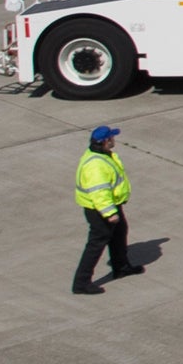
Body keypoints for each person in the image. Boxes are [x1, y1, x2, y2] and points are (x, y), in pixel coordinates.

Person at [73, 125, 138, 294]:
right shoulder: (96, 165)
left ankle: (121, 267)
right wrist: (110, 213)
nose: (114, 139)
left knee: (119, 233)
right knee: (96, 243)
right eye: (112, 137)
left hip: (110, 204)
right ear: (105, 141)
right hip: (99, 209)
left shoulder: (103, 155)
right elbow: (99, 192)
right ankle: (81, 283)